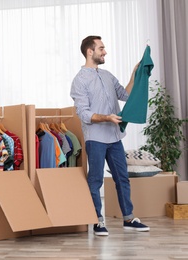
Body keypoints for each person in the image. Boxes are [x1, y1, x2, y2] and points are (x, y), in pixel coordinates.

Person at [70, 35, 150, 236]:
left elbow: (126, 94)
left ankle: (129, 219)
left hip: (114, 138)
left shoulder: (107, 76)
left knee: (122, 178)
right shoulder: (79, 81)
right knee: (95, 180)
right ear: (90, 51)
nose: (105, 52)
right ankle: (97, 221)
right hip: (95, 138)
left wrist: (135, 74)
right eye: (101, 48)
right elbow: (84, 113)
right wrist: (106, 117)